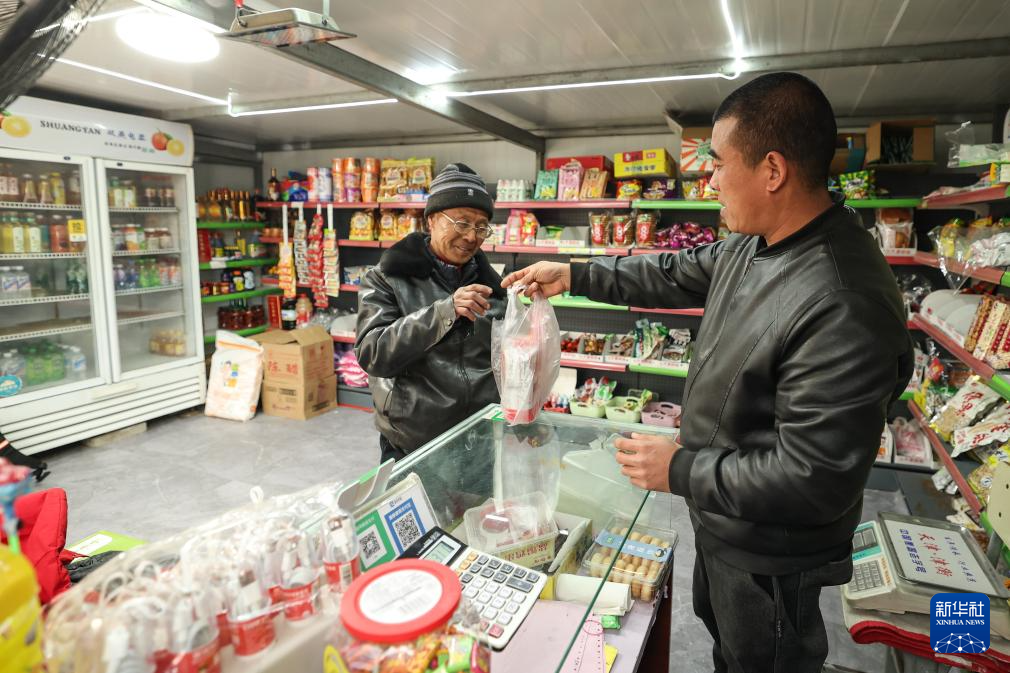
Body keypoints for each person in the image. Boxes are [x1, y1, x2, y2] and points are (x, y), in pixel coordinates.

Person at [503, 72, 914, 673]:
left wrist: (681, 468)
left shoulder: (842, 299)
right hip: (725, 517)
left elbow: (814, 478)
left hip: (771, 554)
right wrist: (577, 274)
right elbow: (670, 271)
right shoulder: (756, 241)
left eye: (718, 163)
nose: (710, 179)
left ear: (772, 170)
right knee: (727, 648)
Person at [355, 163, 504, 464]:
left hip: (479, 438)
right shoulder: (388, 277)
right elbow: (373, 353)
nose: (471, 236)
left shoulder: (494, 288)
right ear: (432, 220)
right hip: (413, 442)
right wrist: (443, 312)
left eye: (481, 227)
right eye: (461, 222)